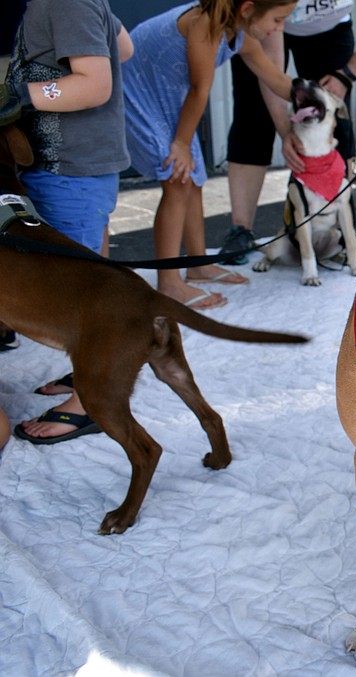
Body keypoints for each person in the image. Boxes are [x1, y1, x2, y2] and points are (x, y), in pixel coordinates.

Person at [2, 0, 133, 445]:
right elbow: (124, 48)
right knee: (92, 270)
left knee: (80, 293)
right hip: (81, 167)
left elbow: (95, 84)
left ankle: (92, 401)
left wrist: (23, 95)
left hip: (70, 169)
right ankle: (86, 378)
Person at [121, 0, 298, 308]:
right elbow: (199, 89)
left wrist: (317, 95)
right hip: (136, 92)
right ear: (248, 9)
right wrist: (180, 143)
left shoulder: (240, 34)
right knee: (177, 178)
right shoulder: (203, 22)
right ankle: (169, 283)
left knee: (195, 180)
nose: (279, 28)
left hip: (167, 95)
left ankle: (199, 264)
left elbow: (278, 80)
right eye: (278, 19)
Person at [217, 0, 356, 265]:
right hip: (263, 24)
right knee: (252, 117)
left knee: (336, 120)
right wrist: (286, 131)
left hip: (330, 31)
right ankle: (240, 230)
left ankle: (343, 229)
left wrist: (347, 75)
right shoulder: (271, 18)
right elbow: (272, 73)